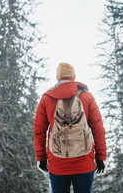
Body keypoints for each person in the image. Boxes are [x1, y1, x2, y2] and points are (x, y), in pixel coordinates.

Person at [34, 62, 107, 193]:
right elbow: (98, 128)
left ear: (57, 76)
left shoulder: (46, 99)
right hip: (84, 162)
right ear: (74, 76)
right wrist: (101, 157)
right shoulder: (87, 96)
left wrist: (41, 158)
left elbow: (39, 132)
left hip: (57, 163)